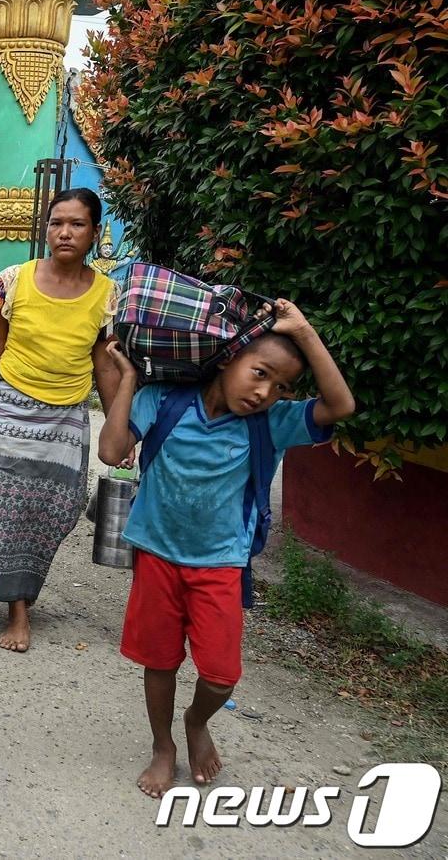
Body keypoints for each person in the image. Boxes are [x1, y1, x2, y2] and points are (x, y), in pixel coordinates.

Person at [98, 300, 354, 798]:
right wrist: (128, 380)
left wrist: (304, 331)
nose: (265, 393)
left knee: (220, 675)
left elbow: (340, 407)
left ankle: (197, 722)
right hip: (156, 555)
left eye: (281, 387)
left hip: (220, 564)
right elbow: (111, 452)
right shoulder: (165, 401)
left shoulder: (271, 423)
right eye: (260, 374)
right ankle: (162, 746)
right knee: (160, 662)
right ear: (226, 359)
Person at [0, 187, 123, 654]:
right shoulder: (12, 280)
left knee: (64, 506)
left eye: (77, 224)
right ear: (45, 229)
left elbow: (104, 362)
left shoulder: (108, 294)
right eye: (56, 223)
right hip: (12, 408)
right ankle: (17, 609)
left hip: (68, 415)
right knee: (15, 507)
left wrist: (114, 422)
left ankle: (13, 576)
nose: (64, 233)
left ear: (94, 232)